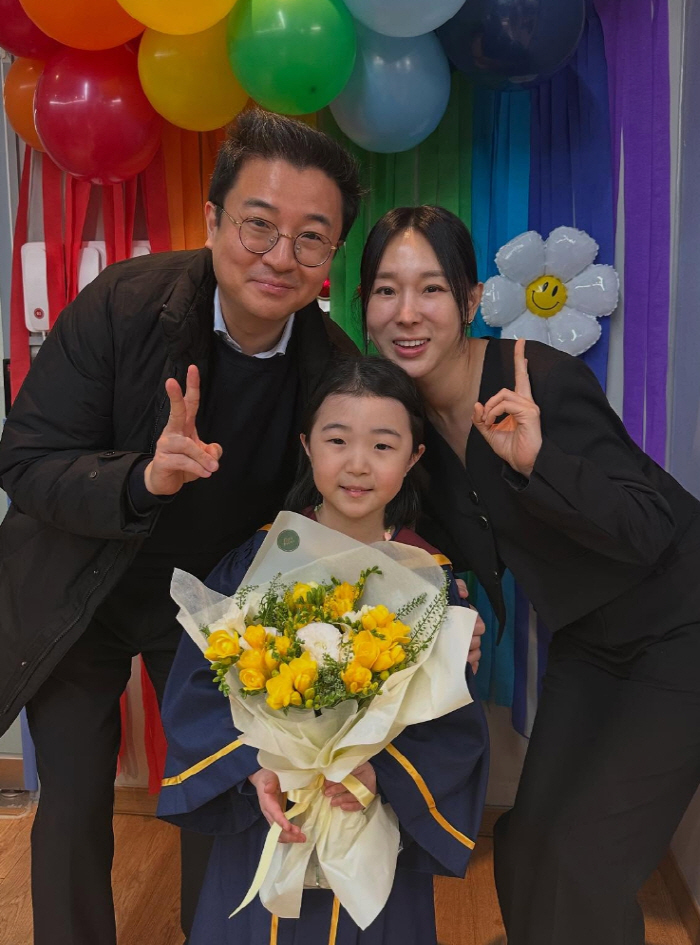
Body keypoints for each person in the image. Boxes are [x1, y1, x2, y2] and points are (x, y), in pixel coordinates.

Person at [0, 109, 364, 945]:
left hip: (210, 604)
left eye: (311, 238)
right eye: (259, 226)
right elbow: (24, 458)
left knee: (221, 788)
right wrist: (143, 477)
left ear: (331, 257)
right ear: (211, 221)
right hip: (73, 584)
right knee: (76, 794)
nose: (280, 257)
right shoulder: (125, 307)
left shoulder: (333, 370)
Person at [361, 205, 700, 945]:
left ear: (472, 300)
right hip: (590, 642)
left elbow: (648, 526)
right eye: (386, 291)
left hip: (680, 628)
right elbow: (446, 553)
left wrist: (540, 462)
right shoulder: (408, 426)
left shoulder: (537, 376)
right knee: (525, 844)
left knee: (585, 865)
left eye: (432, 289)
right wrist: (449, 616)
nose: (408, 313)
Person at [158, 355, 489, 944]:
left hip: (368, 812)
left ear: (414, 457)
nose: (357, 464)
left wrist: (376, 769)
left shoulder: (427, 580)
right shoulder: (259, 560)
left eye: (383, 446)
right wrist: (256, 768)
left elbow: (451, 724)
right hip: (269, 810)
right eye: (338, 440)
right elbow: (197, 685)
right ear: (308, 446)